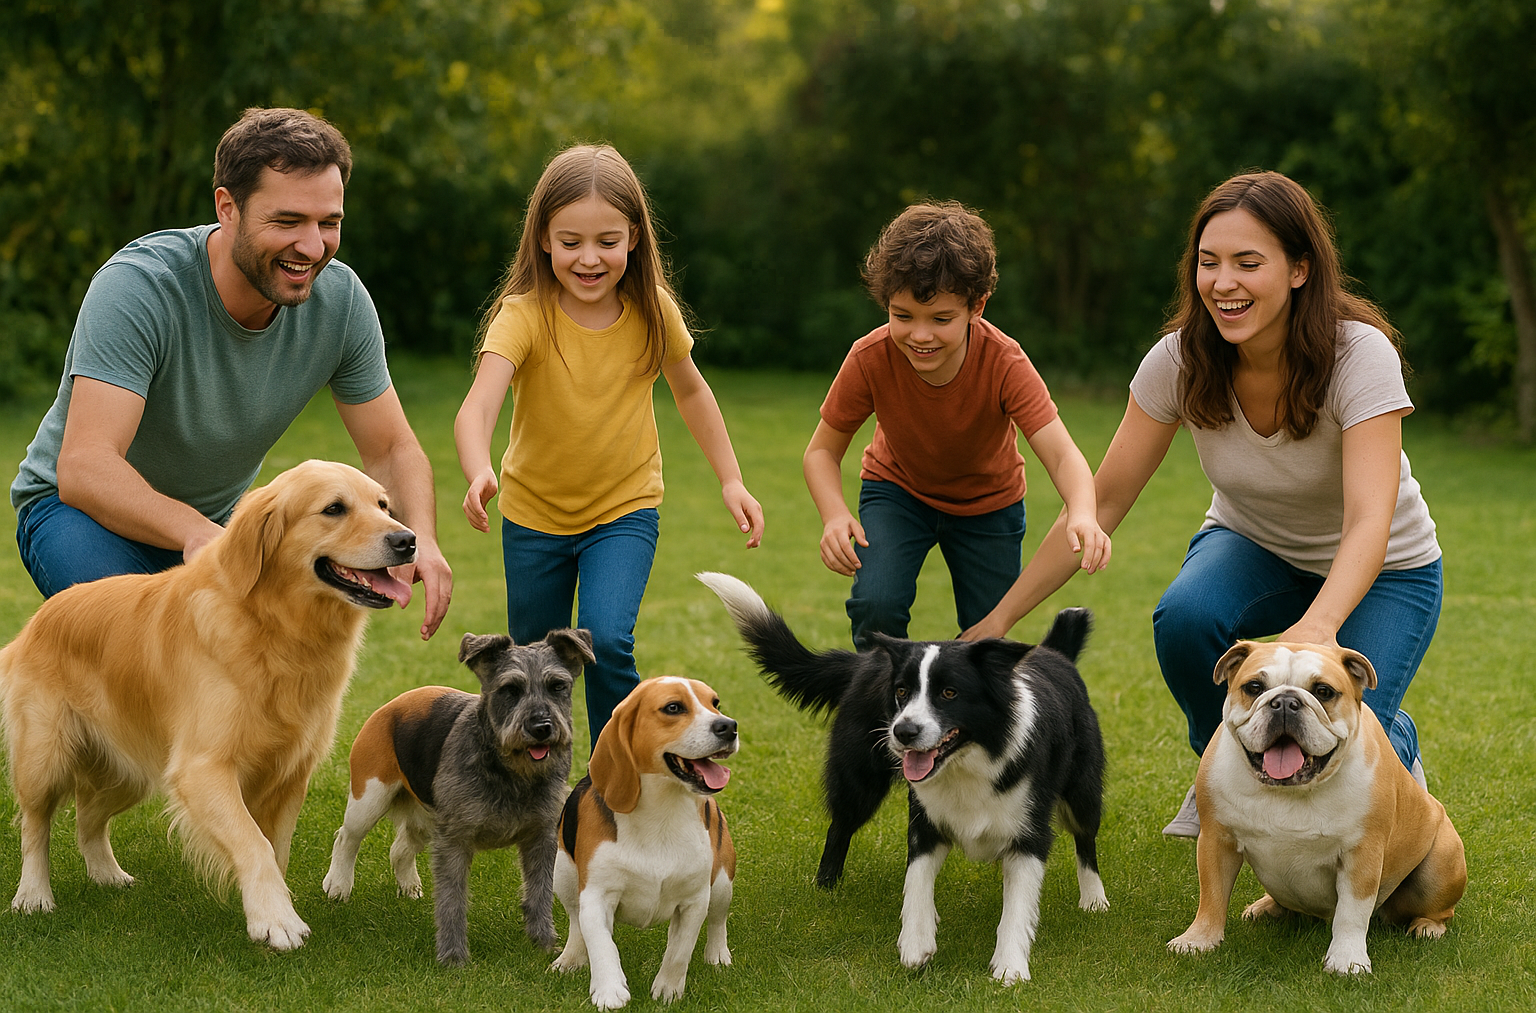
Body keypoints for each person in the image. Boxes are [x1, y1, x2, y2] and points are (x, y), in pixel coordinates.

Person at [962, 171, 1442, 837]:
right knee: (1187, 616)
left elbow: (1370, 518)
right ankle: (1222, 763)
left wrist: (1319, 625)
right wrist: (1000, 619)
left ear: (1300, 269)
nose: (1223, 282)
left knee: (1356, 745)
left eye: (1249, 263)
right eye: (1208, 263)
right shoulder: (1180, 362)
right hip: (1253, 546)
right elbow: (1099, 502)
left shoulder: (1358, 356)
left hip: (1388, 569)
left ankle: (1397, 736)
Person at [11, 107, 452, 640]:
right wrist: (201, 535)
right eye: (287, 221)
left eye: (328, 223)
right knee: (153, 652)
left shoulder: (341, 302)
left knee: (258, 669)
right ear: (228, 207)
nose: (313, 248)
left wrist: (421, 536)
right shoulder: (140, 287)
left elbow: (390, 449)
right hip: (76, 515)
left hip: (214, 528)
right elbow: (85, 466)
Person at [454, 144, 764, 744]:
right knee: (536, 664)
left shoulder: (652, 311)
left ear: (635, 238)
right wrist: (477, 468)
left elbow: (693, 394)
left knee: (605, 637)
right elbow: (480, 404)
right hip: (534, 516)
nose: (589, 258)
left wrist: (731, 478)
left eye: (607, 241)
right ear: (544, 239)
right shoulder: (523, 315)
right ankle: (538, 796)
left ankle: (615, 779)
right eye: (570, 242)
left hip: (623, 510)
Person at [804, 201, 1109, 648]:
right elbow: (821, 451)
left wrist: (1082, 512)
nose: (920, 335)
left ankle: (972, 718)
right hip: (898, 493)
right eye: (901, 316)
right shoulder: (869, 358)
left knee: (987, 640)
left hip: (990, 507)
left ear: (976, 307)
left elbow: (1062, 453)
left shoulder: (1004, 363)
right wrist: (834, 515)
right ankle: (884, 711)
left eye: (941, 319)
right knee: (877, 605)